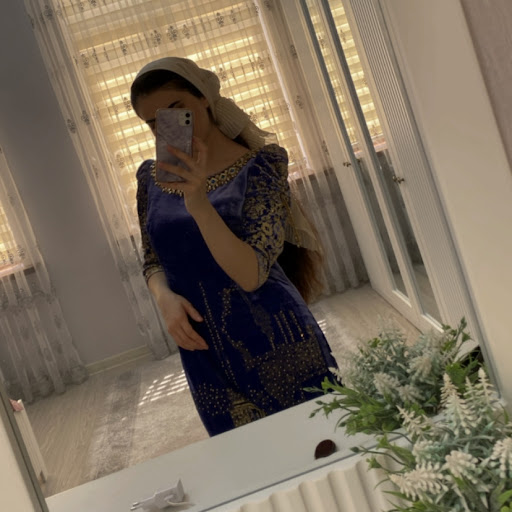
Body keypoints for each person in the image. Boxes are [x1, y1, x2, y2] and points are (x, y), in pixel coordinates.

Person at [131, 57, 339, 436]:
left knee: (322, 442)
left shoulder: (261, 167)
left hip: (276, 341)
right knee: (247, 458)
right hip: (202, 350)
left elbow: (251, 274)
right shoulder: (151, 179)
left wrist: (197, 202)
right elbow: (152, 259)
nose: (167, 126)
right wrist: (165, 300)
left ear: (204, 98)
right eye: (152, 122)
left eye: (176, 109)